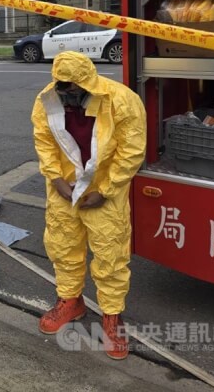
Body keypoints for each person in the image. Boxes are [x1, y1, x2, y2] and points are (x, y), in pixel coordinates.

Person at [31, 51, 146, 360]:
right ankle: (70, 300)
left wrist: (106, 191)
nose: (68, 96)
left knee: (110, 254)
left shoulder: (121, 100)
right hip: (64, 190)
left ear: (87, 85)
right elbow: (44, 140)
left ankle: (112, 317)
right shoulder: (47, 99)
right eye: (63, 89)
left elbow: (131, 150)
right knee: (63, 246)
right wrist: (55, 178)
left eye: (74, 90)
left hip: (104, 192)